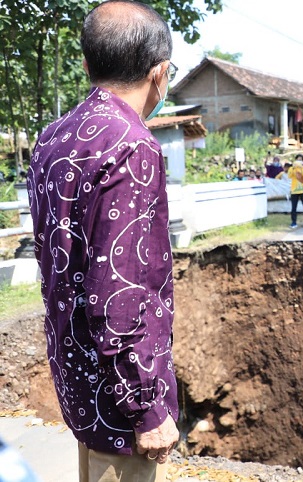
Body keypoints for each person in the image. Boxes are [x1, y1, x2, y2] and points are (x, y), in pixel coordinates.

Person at [26, 1, 180, 479]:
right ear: (161, 73)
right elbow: (120, 291)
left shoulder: (53, 137)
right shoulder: (131, 144)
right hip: (119, 406)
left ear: (89, 65)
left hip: (80, 386)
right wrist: (148, 407)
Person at [288, 155, 303, 228]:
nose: (299, 161)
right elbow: (289, 176)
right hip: (294, 190)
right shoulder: (292, 168)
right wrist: (294, 168)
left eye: (300, 160)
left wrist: (302, 168)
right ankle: (293, 222)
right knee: (293, 208)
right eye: (298, 160)